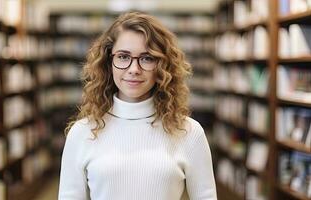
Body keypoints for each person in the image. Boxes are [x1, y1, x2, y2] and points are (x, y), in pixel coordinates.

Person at [58, 11, 217, 200]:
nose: (134, 69)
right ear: (109, 62)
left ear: (162, 66)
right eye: (124, 57)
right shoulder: (82, 132)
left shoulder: (189, 132)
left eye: (147, 58)